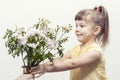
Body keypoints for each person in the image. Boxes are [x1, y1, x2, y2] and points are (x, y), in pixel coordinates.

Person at [30, 5, 109, 80]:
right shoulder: (76, 48)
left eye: (81, 26)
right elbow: (60, 60)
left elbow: (72, 64)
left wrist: (46, 68)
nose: (77, 29)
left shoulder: (95, 52)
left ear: (96, 30)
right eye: (76, 25)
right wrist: (40, 66)